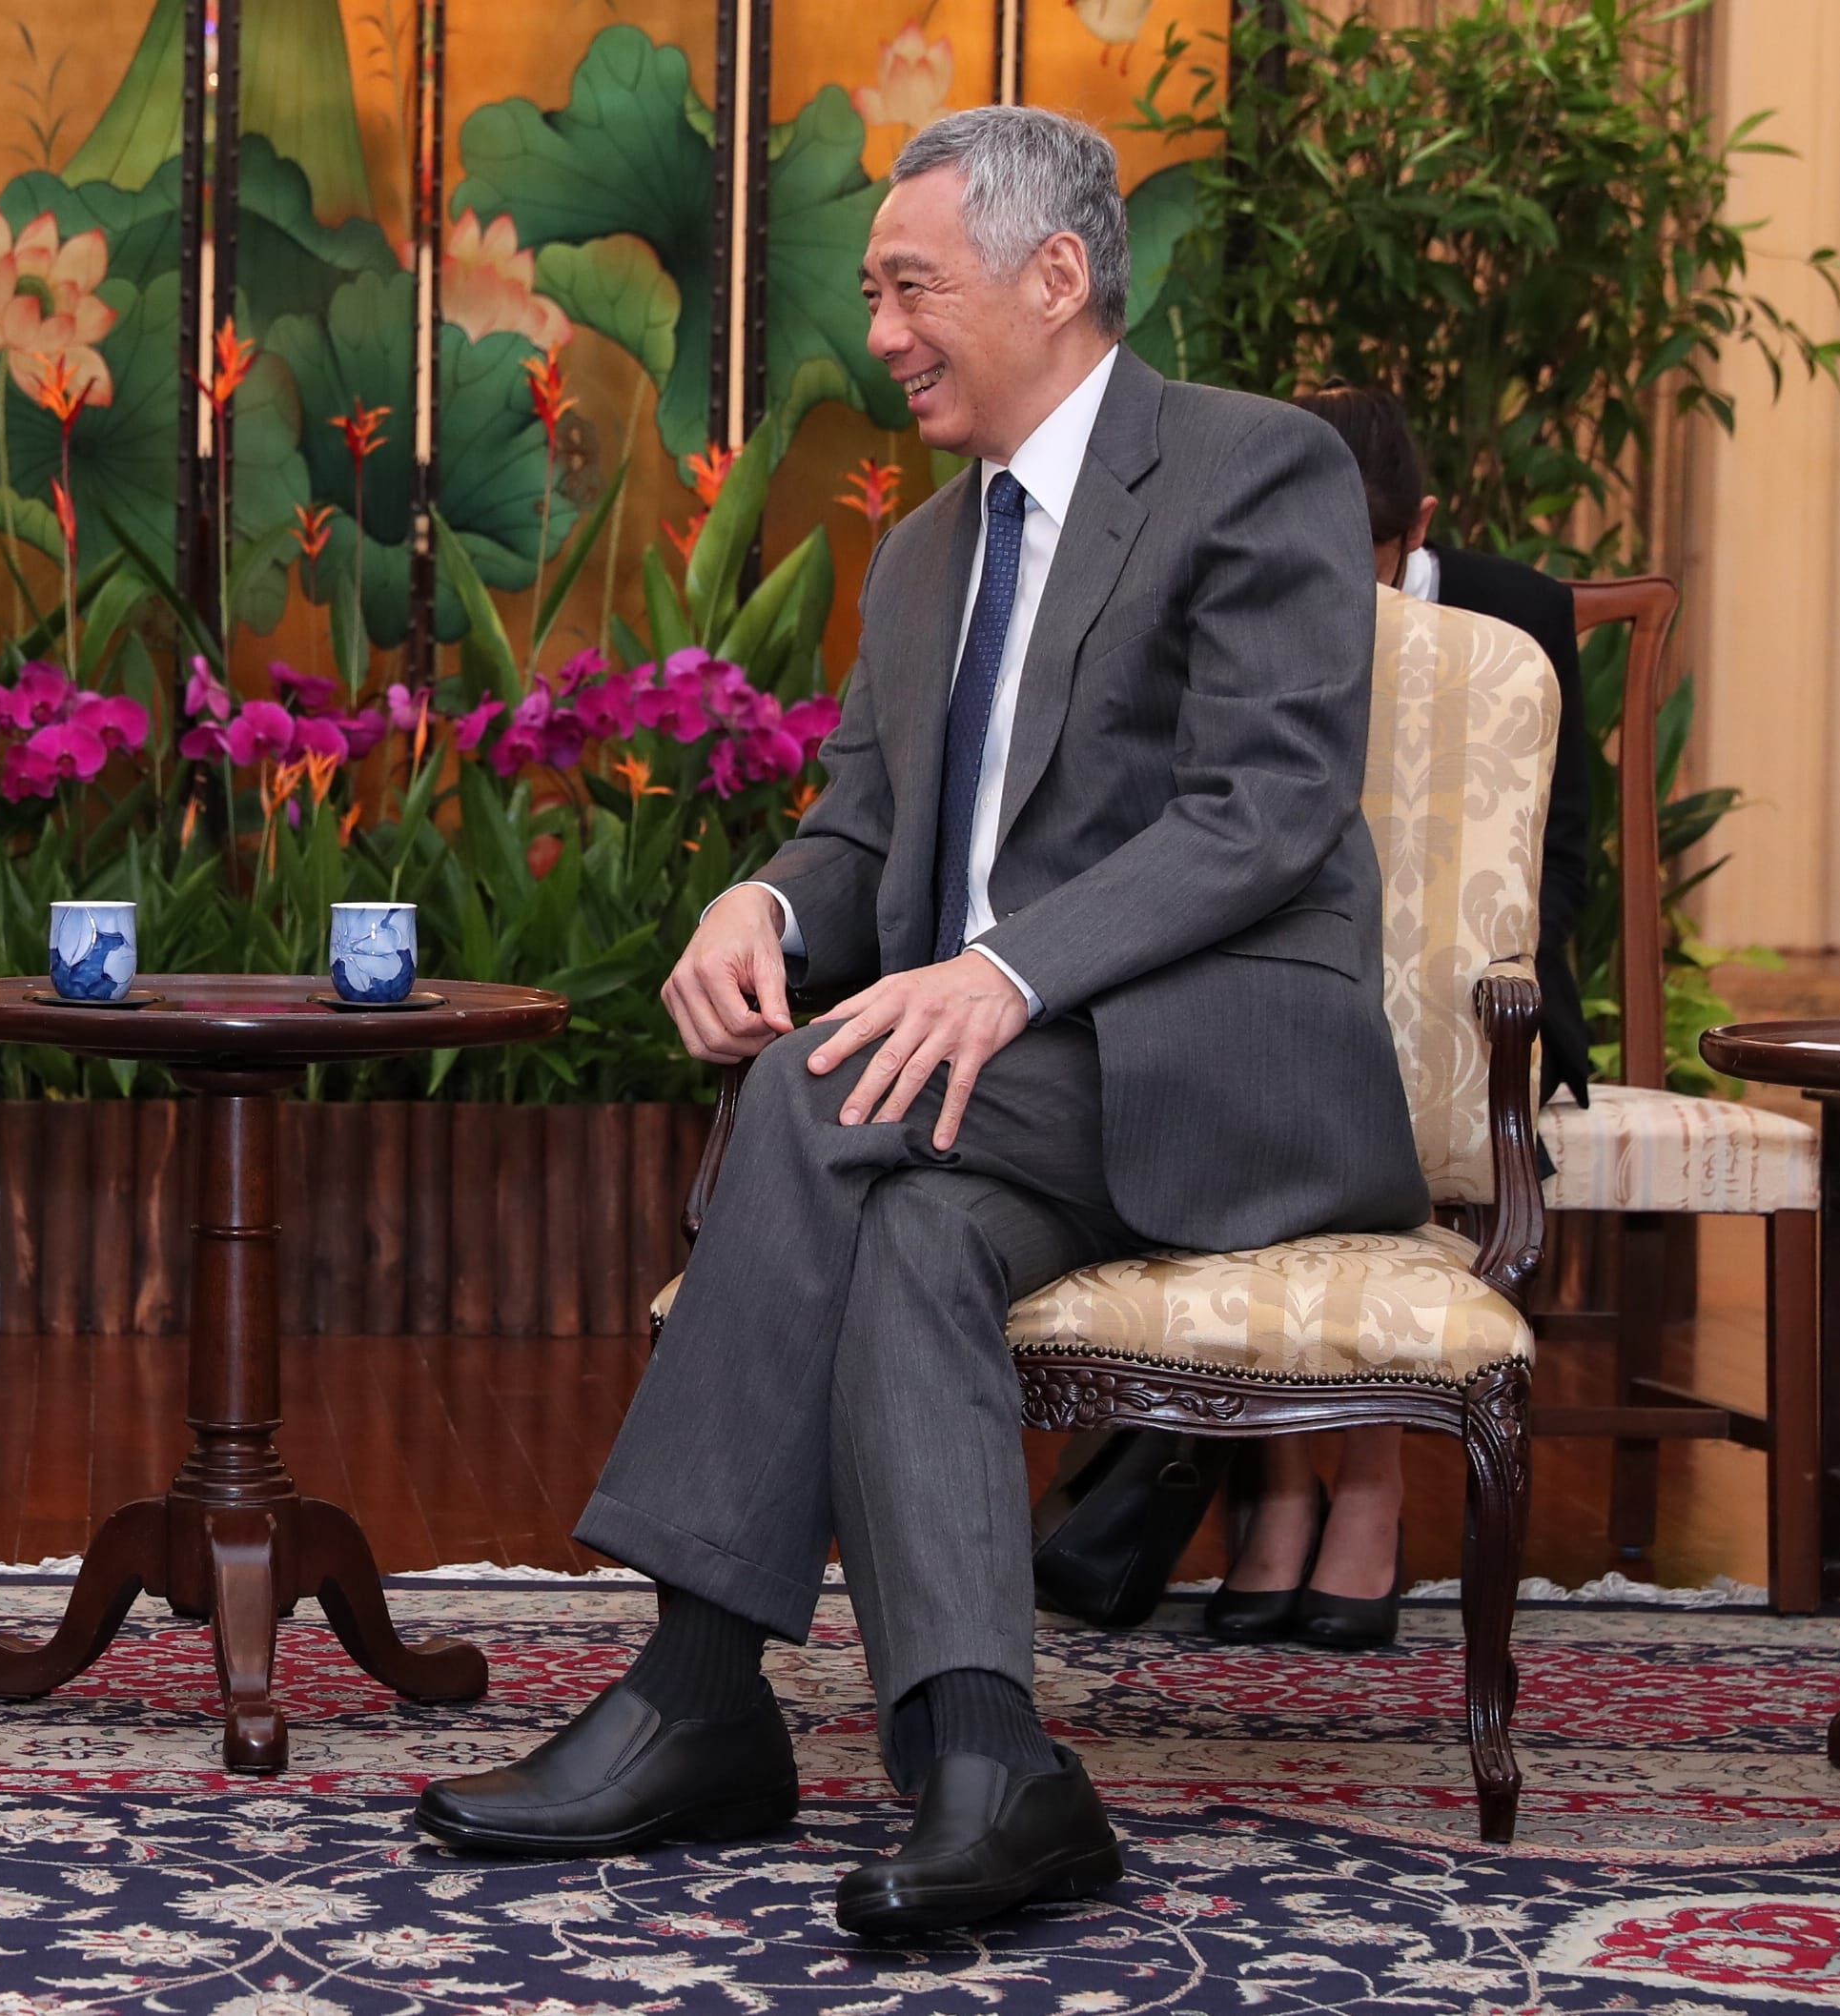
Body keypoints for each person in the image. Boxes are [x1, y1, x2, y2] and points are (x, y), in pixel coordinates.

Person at [414, 108, 1426, 1937]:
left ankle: (696, 1695)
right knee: (914, 1240)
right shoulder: (920, 557)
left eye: (908, 287)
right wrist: (764, 904)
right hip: (980, 1103)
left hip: (1211, 1067)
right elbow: (863, 836)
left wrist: (1004, 971)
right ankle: (986, 1763)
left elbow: (1263, 809)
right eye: (875, 292)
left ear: (1055, 276)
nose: (876, 331)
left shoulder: (1250, 468)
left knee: (816, 1094)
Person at [1191, 384, 1590, 1650]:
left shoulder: (1514, 613)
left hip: (1474, 981)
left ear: (1415, 525)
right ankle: (1280, 1487)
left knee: (1372, 1062)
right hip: (1285, 961)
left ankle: (1369, 1488)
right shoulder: (1232, 598)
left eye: (1360, 548)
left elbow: (1564, 852)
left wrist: (1465, 956)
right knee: (1244, 1054)